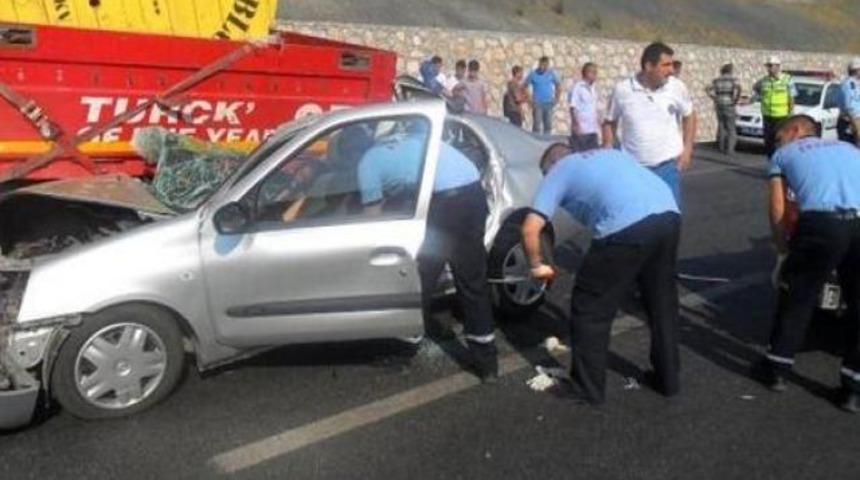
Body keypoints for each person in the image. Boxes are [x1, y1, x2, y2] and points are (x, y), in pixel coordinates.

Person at [522, 142, 681, 405]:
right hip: (668, 215)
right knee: (661, 302)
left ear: (549, 166)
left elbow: (530, 229)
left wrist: (537, 266)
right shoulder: (609, 154)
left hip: (624, 227)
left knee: (590, 308)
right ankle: (668, 380)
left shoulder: (558, 171)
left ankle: (587, 389)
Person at [357, 124, 499, 382]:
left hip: (443, 205)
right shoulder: (418, 135)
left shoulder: (368, 161)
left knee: (417, 281)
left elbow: (372, 219)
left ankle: (403, 351)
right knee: (472, 281)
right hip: (473, 194)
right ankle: (487, 364)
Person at [753, 114, 860, 413]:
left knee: (798, 297)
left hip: (822, 224)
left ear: (796, 130)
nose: (776, 142)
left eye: (779, 135)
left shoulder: (783, 154)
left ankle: (776, 371)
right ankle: (853, 390)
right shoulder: (849, 149)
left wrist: (782, 252)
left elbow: (777, 206)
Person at [602, 42, 697, 206]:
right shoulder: (622, 90)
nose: (671, 70)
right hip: (633, 170)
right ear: (648, 66)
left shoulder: (676, 87)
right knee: (635, 221)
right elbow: (609, 121)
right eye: (666, 65)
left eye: (672, 65)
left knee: (668, 221)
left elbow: (689, 115)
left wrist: (687, 148)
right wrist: (608, 147)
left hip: (667, 168)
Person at [753, 56, 797, 158]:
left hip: (781, 116)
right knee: (768, 142)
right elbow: (756, 89)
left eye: (770, 66)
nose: (768, 68)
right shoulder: (764, 81)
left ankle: (781, 165)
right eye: (767, 66)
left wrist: (791, 113)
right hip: (767, 116)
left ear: (777, 66)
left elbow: (792, 98)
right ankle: (771, 163)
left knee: (781, 142)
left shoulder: (787, 80)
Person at [706, 63, 742, 156]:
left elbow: (707, 89)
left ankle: (721, 147)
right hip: (729, 103)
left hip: (718, 104)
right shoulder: (733, 79)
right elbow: (739, 88)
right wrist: (736, 99)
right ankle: (730, 150)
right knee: (731, 128)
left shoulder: (716, 80)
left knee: (721, 126)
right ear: (730, 71)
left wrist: (713, 97)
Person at [567, 62, 601, 151]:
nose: (595, 75)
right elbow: (572, 107)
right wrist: (575, 124)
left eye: (596, 73)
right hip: (582, 130)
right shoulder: (578, 88)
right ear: (587, 73)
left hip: (592, 130)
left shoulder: (593, 89)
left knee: (594, 156)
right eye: (593, 73)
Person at [525, 56, 561, 134]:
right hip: (537, 103)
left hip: (549, 102)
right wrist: (529, 99)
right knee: (537, 125)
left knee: (548, 125)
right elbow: (525, 86)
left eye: (546, 66)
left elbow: (558, 85)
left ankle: (547, 142)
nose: (543, 67)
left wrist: (557, 98)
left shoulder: (551, 74)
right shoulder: (533, 74)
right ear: (539, 64)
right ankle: (535, 142)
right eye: (542, 65)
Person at [837, 57, 860, 146]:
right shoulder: (850, 85)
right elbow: (850, 109)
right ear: (856, 70)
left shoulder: (857, 84)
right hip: (850, 124)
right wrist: (857, 128)